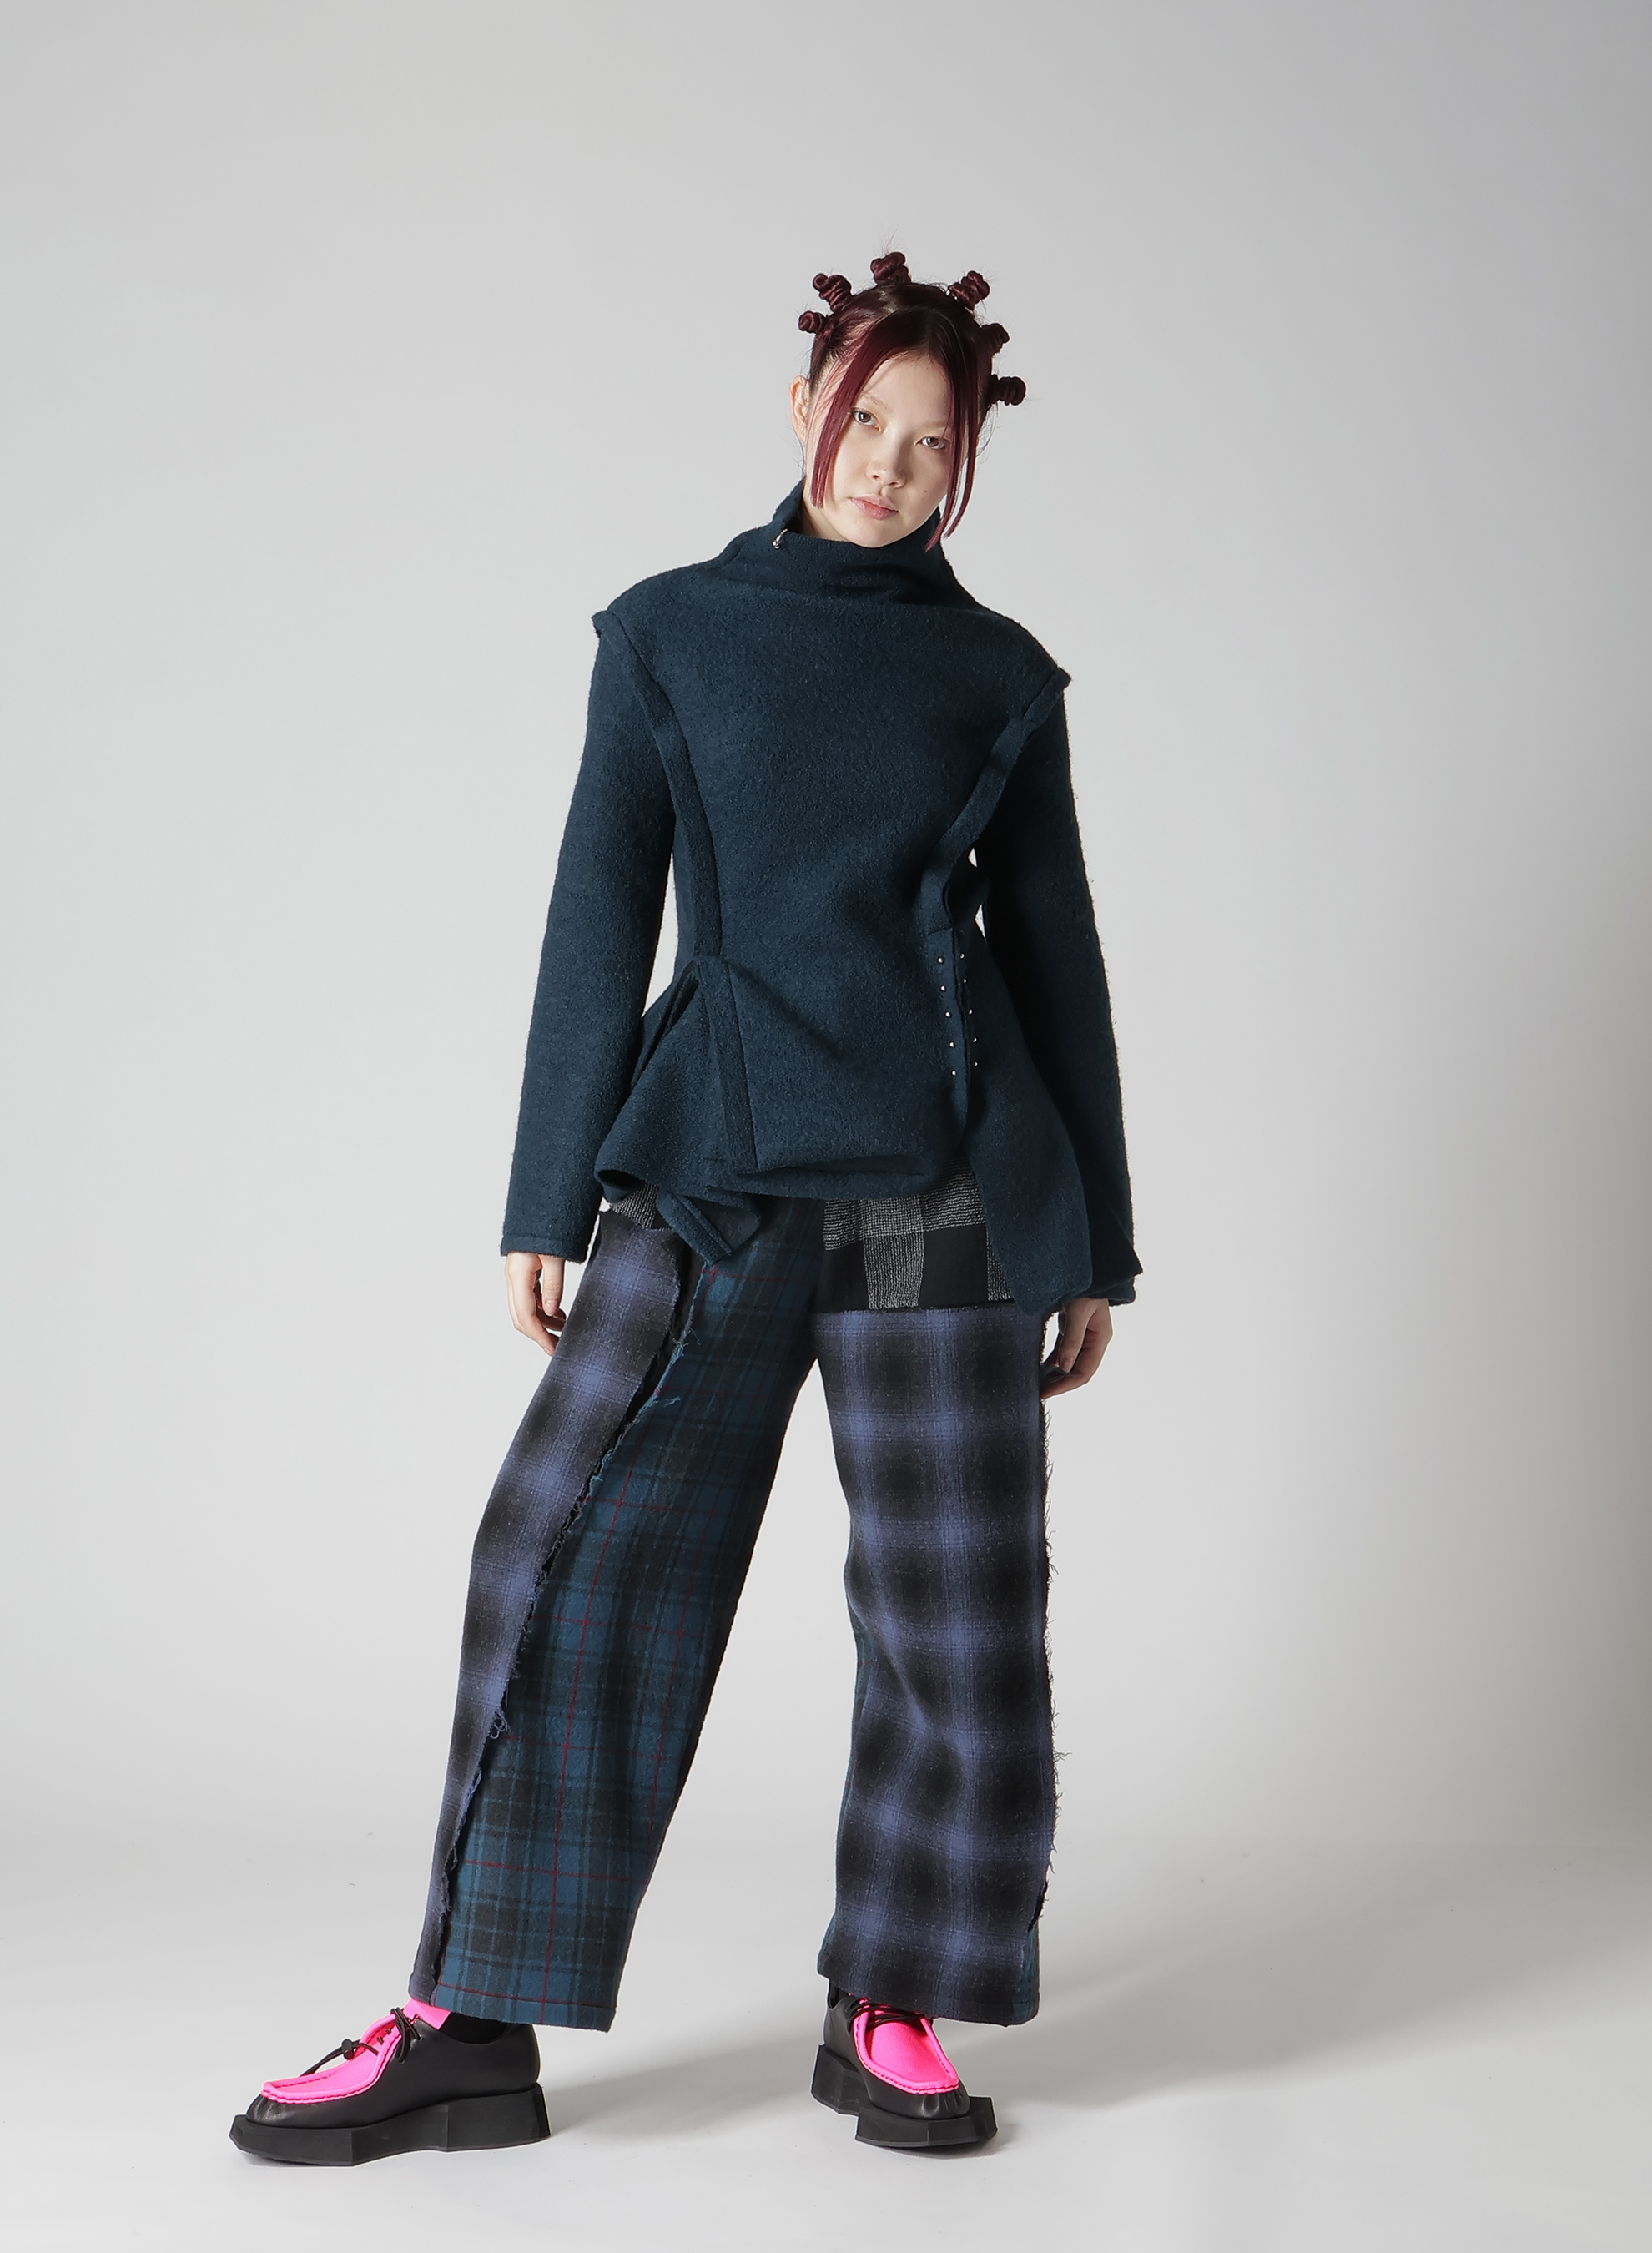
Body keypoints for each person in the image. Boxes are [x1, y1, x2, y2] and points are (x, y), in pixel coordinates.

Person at [230, 250, 1139, 2167]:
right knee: (562, 1561)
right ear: (805, 403)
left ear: (968, 464)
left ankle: (887, 1999)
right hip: (711, 1164)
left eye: (934, 445)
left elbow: (1056, 955)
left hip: (947, 1184)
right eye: (866, 421)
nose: (889, 467)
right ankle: (466, 2024)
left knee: (959, 1612)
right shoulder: (668, 636)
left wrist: (1096, 1242)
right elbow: (598, 910)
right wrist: (544, 1194)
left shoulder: (999, 677)